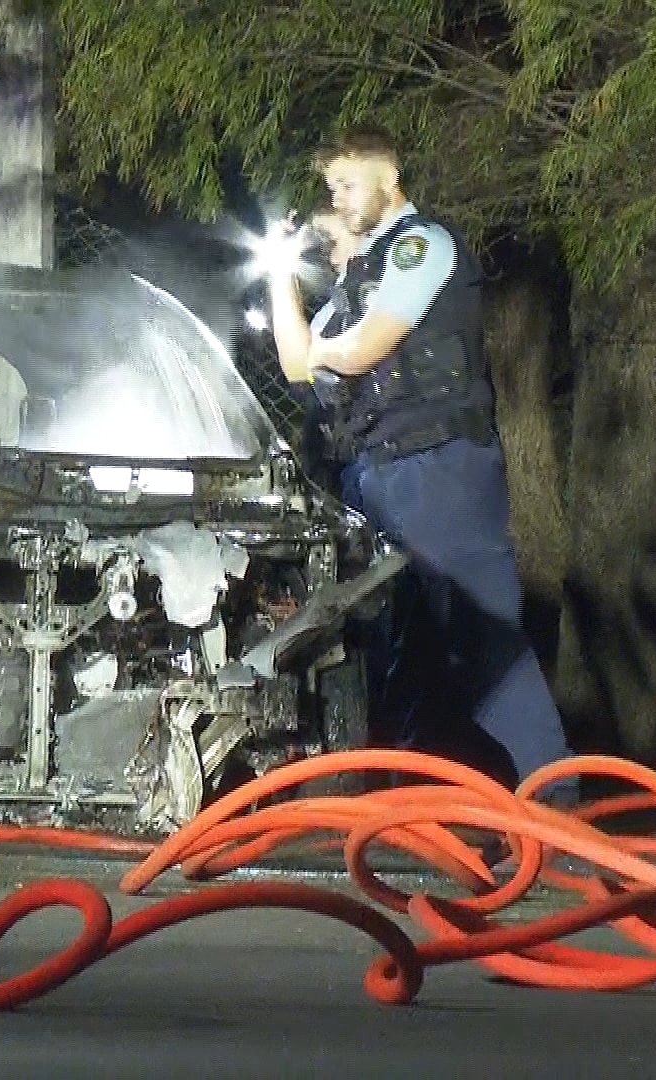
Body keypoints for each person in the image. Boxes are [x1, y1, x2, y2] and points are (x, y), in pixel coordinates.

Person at [266, 126, 575, 799]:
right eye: (331, 188)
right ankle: (409, 806)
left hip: (440, 468)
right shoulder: (352, 287)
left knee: (482, 635)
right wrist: (279, 274)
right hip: (375, 477)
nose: (336, 198)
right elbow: (296, 365)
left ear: (389, 175)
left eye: (347, 183)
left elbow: (364, 349)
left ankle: (556, 802)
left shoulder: (421, 245)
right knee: (396, 646)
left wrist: (324, 346)